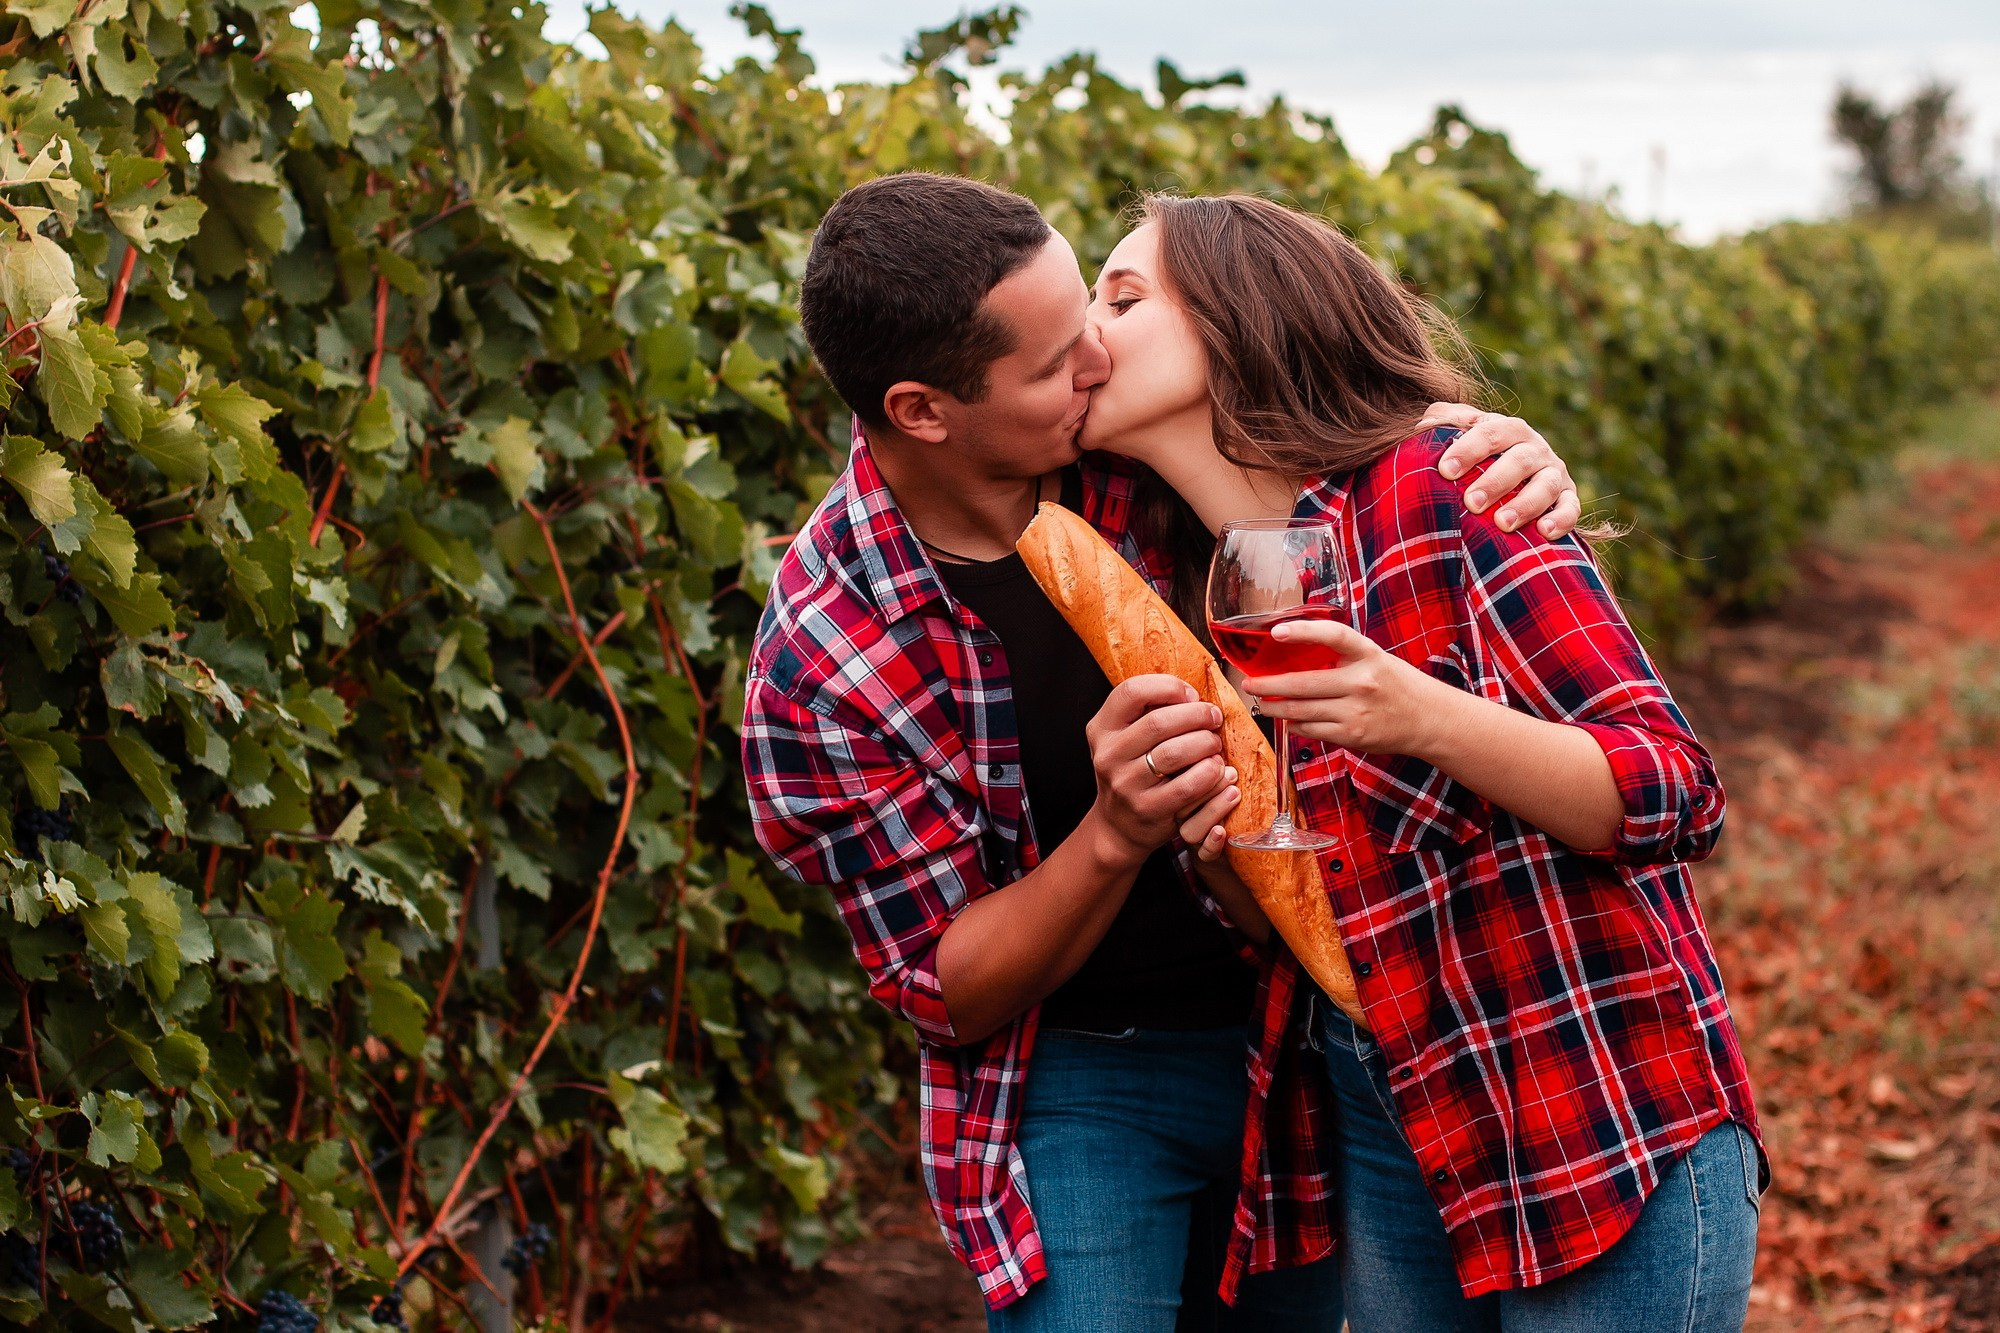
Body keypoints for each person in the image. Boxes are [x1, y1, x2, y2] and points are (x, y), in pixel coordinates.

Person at [740, 172, 1582, 1330]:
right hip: (1082, 1071)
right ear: (923, 410)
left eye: (1088, 310)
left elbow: (1331, 427)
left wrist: (1484, 444)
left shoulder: (1128, 448)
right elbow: (943, 986)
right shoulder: (824, 655)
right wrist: (1115, 831)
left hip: (1294, 1037)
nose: (1093, 357)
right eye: (1047, 365)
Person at [1076, 191, 1764, 1332]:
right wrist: (1212, 842)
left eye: (1123, 296)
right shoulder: (1185, 577)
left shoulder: (1438, 487)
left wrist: (1420, 713)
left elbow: (1673, 789)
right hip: (1396, 1123)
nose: (1086, 332)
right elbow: (1310, 922)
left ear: (1240, 317)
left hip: (1588, 1114)